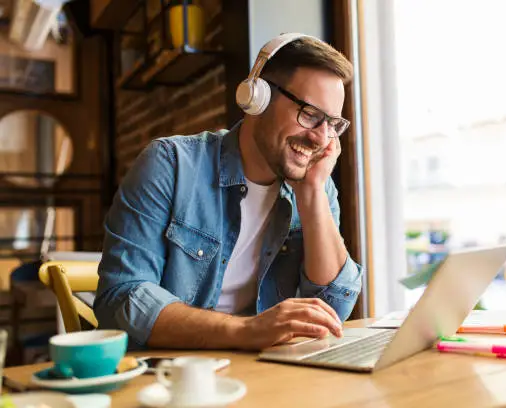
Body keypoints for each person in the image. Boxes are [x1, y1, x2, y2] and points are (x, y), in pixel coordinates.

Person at [94, 33, 363, 350]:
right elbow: (121, 297)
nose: (320, 139)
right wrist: (246, 331)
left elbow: (333, 309)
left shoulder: (315, 182)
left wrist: (313, 194)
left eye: (332, 124)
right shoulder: (171, 165)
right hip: (173, 377)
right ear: (257, 98)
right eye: (309, 114)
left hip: (265, 376)